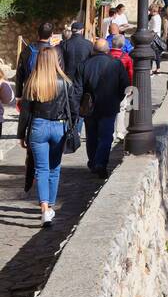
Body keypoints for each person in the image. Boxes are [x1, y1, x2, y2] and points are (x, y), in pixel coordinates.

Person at [18, 47, 76, 227]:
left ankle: (44, 209)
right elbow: (73, 110)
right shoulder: (66, 83)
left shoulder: (32, 82)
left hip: (38, 126)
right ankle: (50, 207)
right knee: (54, 168)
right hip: (59, 127)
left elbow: (25, 112)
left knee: (41, 169)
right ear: (56, 60)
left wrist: (22, 134)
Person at [81, 39, 128, 179]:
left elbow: (78, 87)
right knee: (106, 136)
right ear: (107, 50)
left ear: (94, 50)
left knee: (91, 136)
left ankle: (93, 161)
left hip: (89, 106)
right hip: (109, 106)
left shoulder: (84, 65)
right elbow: (124, 85)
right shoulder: (116, 64)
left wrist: (81, 103)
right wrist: (117, 99)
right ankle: (100, 163)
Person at [60, 20, 93, 104]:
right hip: (83, 78)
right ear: (82, 30)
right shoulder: (88, 44)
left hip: (68, 77)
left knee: (68, 102)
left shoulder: (65, 44)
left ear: (72, 31)